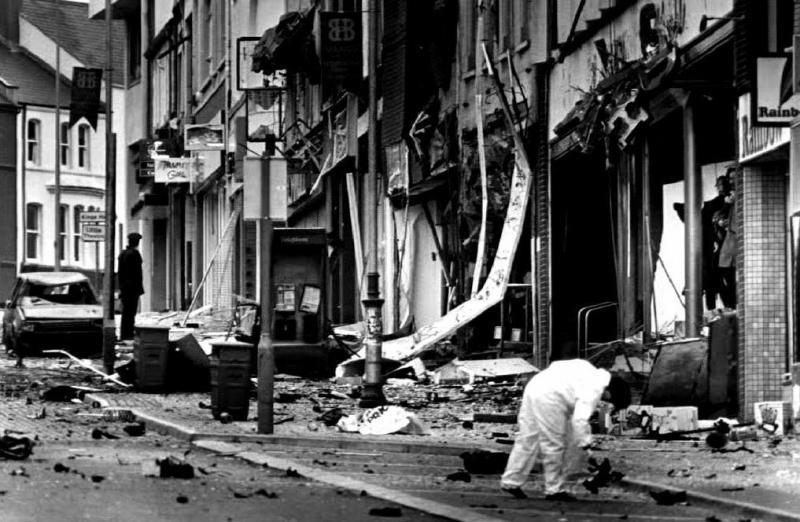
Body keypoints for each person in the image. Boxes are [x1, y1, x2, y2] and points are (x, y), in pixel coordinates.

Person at [500, 359, 631, 501]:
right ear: (611, 393)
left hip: (535, 386)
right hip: (551, 398)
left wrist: (580, 440)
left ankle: (510, 482)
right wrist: (585, 444)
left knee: (527, 439)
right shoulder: (595, 388)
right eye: (610, 401)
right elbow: (580, 420)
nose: (605, 402)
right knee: (554, 444)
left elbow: (557, 367)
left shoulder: (589, 370)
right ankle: (554, 489)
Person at [117, 232, 144, 341]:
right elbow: (137, 274)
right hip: (132, 288)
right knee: (130, 312)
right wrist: (138, 288)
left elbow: (121, 273)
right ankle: (128, 333)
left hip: (125, 288)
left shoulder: (122, 254)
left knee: (126, 312)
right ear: (137, 242)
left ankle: (125, 333)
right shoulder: (134, 254)